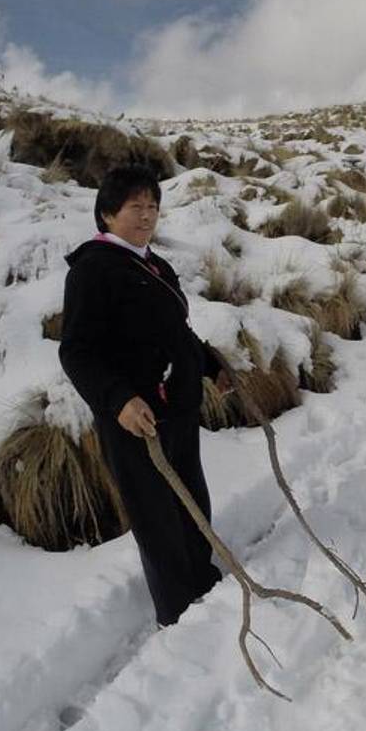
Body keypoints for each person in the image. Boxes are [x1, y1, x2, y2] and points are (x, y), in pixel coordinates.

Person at [59, 166, 229, 627]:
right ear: (108, 213)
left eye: (153, 206)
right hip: (136, 420)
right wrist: (119, 401)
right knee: (156, 517)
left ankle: (204, 583)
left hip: (176, 408)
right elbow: (75, 351)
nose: (147, 215)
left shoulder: (155, 264)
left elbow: (176, 332)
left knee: (190, 498)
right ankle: (178, 613)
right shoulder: (93, 270)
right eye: (136, 206)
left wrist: (212, 366)